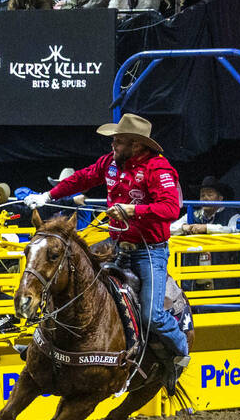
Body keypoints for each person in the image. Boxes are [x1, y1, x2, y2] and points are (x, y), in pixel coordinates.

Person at [25, 113, 188, 390]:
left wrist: (134, 210)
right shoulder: (110, 163)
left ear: (136, 145)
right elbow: (84, 178)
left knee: (152, 314)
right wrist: (48, 196)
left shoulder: (158, 170)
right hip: (116, 246)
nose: (113, 143)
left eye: (119, 140)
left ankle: (180, 350)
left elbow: (171, 209)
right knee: (78, 286)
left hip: (149, 252)